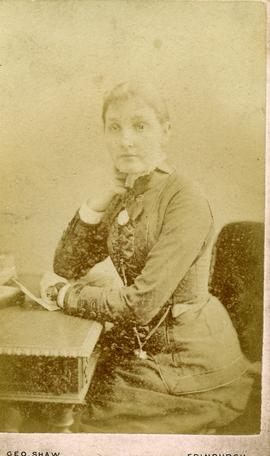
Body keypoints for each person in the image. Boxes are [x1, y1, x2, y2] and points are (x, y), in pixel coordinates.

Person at [46, 81, 254, 434]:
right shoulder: (126, 190)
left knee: (85, 429)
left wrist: (65, 295)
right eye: (115, 127)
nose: (125, 139)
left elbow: (139, 305)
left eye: (140, 126)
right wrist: (101, 198)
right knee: (61, 395)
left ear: (165, 131)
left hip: (187, 362)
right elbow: (66, 265)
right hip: (140, 347)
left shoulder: (183, 199)